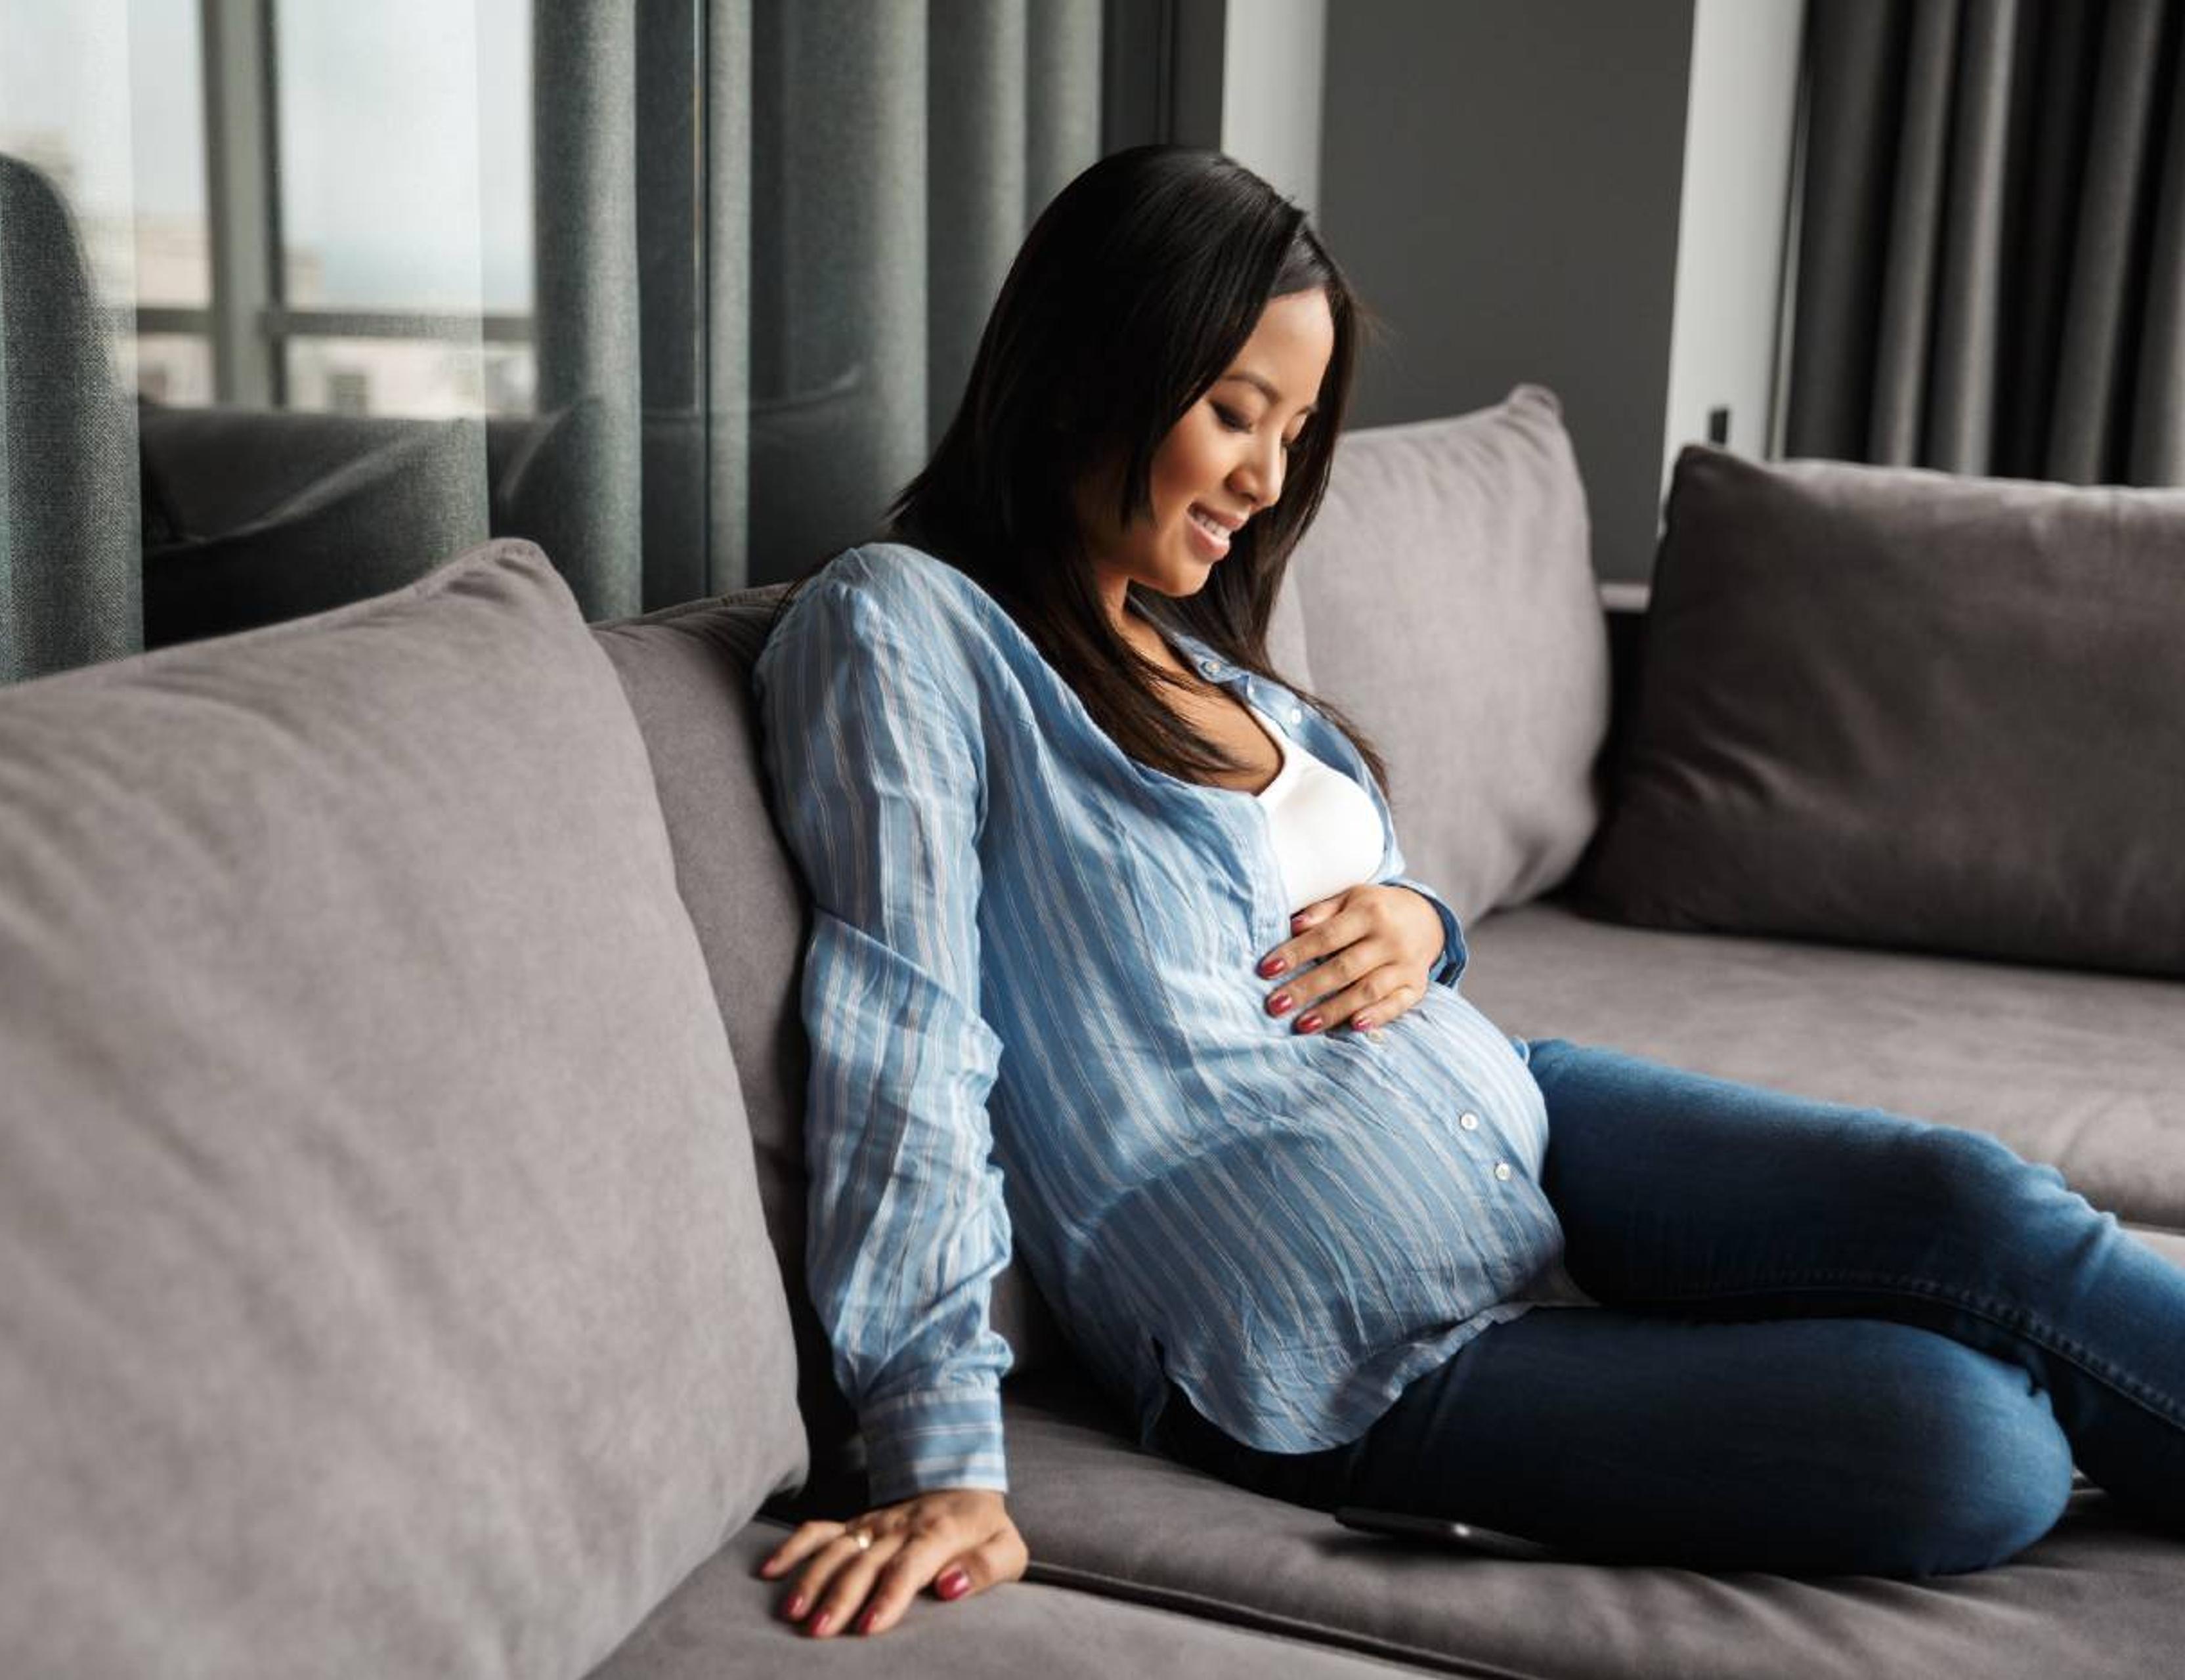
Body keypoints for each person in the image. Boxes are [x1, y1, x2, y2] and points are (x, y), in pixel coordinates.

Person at [746, 144, 2185, 1642]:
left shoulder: (1198, 654)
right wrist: (935, 1448)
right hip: (1345, 1348)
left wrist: (1425, 926)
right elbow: (901, 1035)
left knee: (1979, 1204)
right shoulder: (905, 626)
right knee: (1971, 1439)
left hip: (1527, 1123)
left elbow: (1326, 897)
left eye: (1295, 430)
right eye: (1235, 412)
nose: (1265, 477)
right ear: (1084, 367)